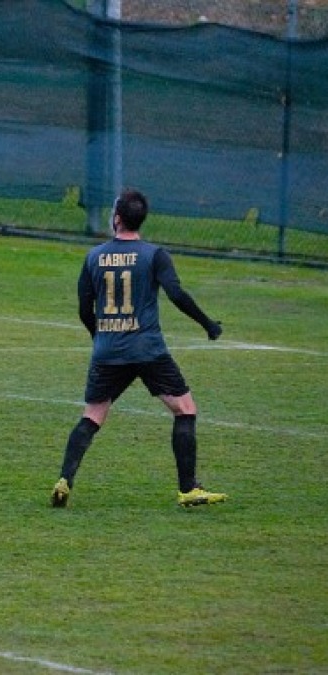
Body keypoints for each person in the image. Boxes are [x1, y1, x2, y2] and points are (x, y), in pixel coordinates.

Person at [51, 189, 226, 509]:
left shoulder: (94, 256)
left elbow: (83, 308)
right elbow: (176, 294)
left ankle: (64, 480)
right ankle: (188, 489)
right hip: (148, 350)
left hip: (108, 351)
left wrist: (100, 336)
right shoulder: (155, 254)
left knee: (92, 416)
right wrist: (208, 324)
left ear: (117, 218)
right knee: (184, 409)